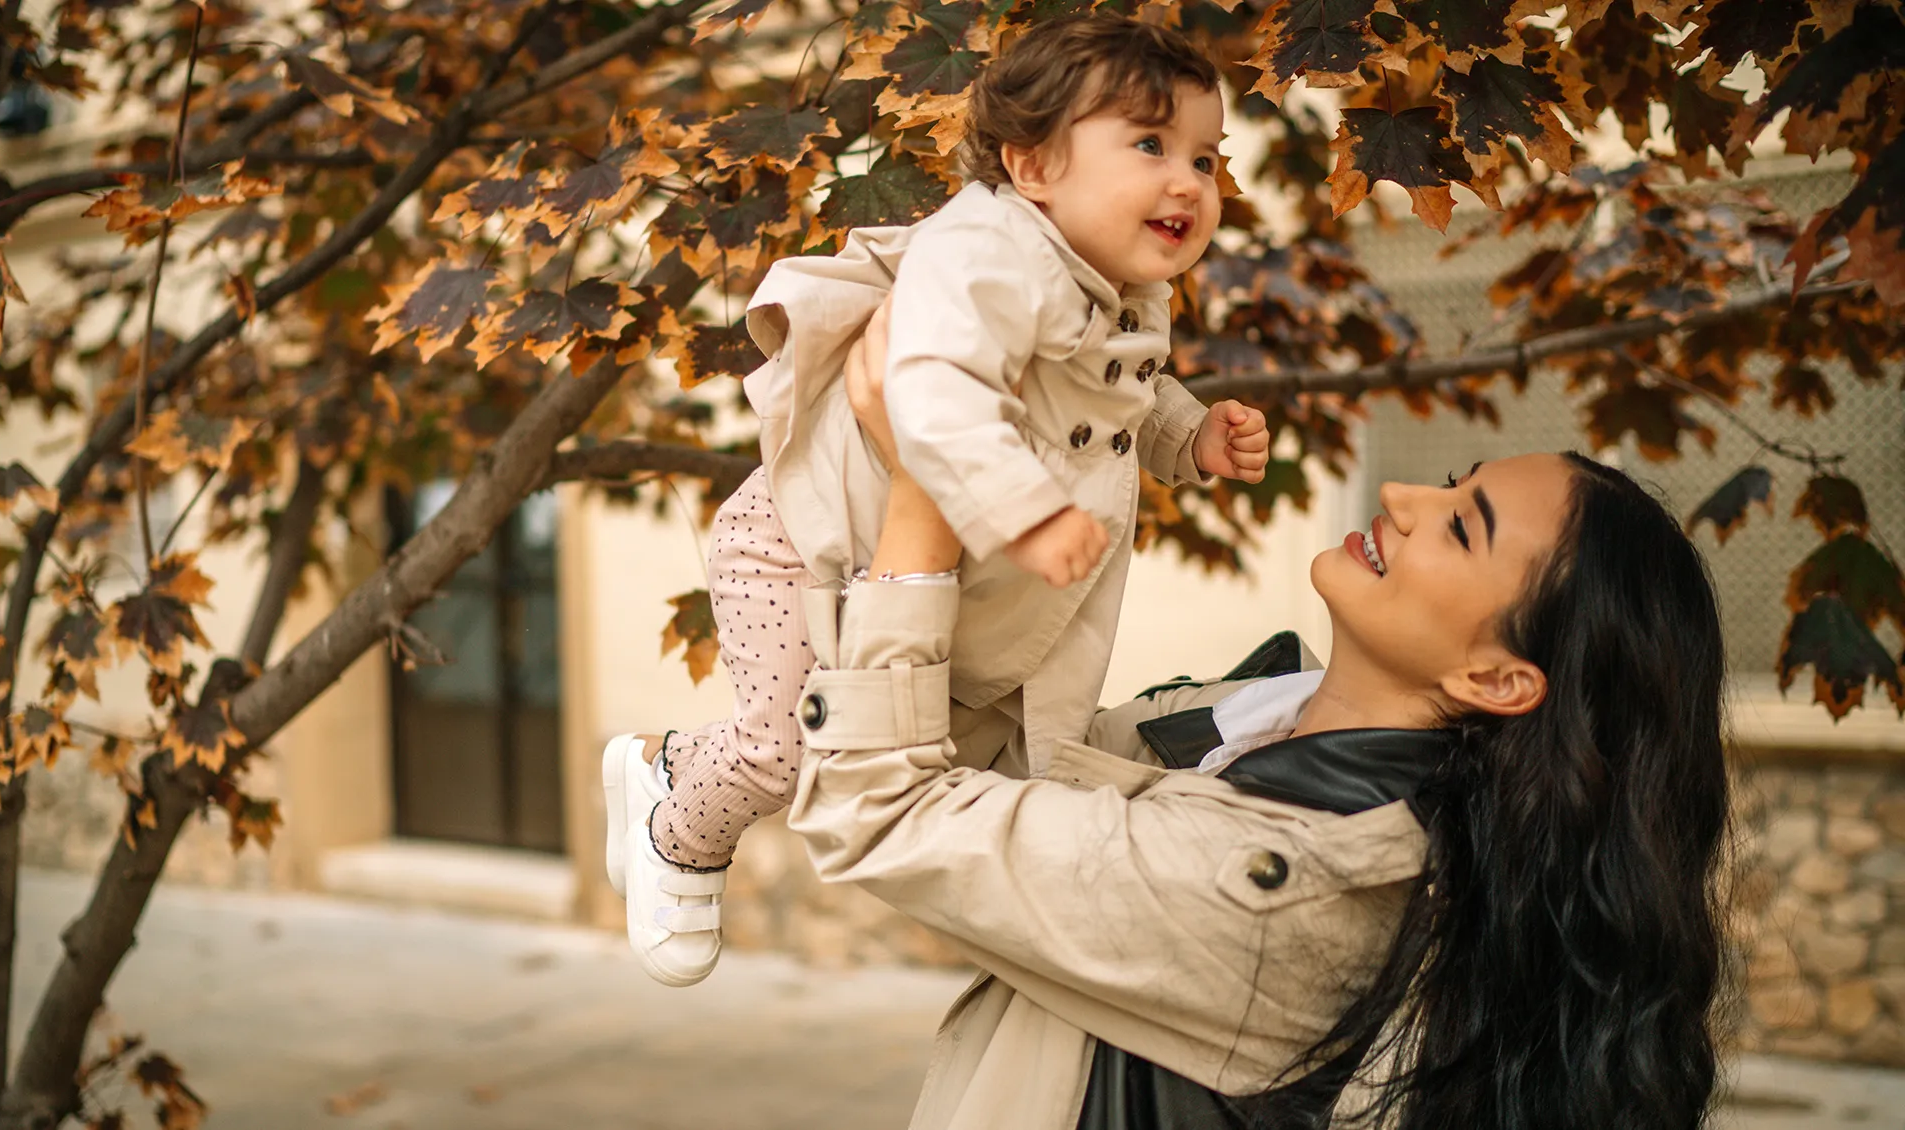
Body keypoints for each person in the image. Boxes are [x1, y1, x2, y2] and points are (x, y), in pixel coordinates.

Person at [777, 314, 1734, 1129]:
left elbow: (881, 810)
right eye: (1451, 481)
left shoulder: (1288, 885)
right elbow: (977, 752)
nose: (1402, 500)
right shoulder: (1223, 724)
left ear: (1498, 678)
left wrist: (923, 506)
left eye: (1460, 526)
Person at [602, 14, 1272, 987]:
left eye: (1205, 157)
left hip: (927, 585)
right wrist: (1027, 512)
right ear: (1031, 165)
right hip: (799, 545)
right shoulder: (981, 252)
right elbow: (928, 388)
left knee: (947, 766)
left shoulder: (1115, 284)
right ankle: (671, 806)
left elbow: (1116, 391)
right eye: (1147, 144)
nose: (1187, 180)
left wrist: (1189, 436)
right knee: (789, 743)